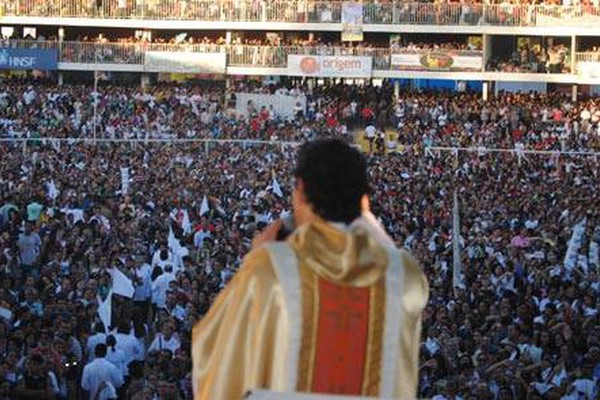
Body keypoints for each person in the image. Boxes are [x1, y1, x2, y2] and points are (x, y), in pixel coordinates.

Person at [191, 138, 429, 399]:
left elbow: (215, 355)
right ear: (364, 199)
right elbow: (384, 248)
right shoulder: (404, 275)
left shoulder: (270, 267)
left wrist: (255, 258)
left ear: (300, 189)